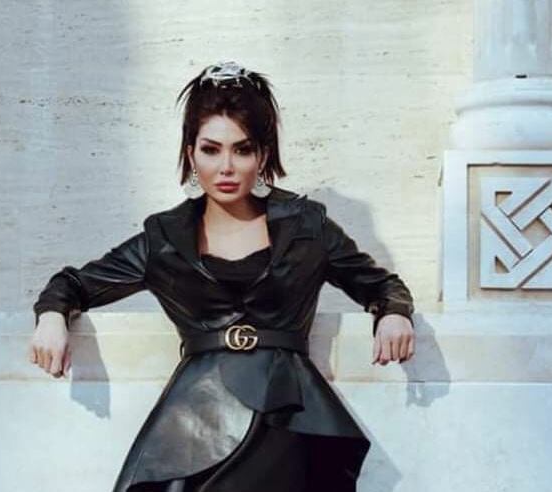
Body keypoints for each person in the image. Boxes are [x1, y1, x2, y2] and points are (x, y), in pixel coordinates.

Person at [29, 61, 415, 492]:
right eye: (211, 150)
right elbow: (74, 284)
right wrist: (52, 315)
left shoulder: (308, 227)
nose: (226, 167)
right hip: (195, 423)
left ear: (262, 155)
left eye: (242, 150)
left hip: (285, 416)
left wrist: (393, 313)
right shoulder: (164, 238)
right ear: (191, 154)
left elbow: (382, 285)